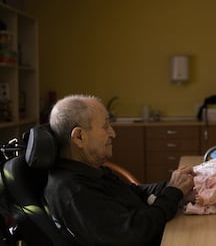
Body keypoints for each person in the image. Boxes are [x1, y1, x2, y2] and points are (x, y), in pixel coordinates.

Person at [44, 94, 194, 246]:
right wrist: (173, 193)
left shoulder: (89, 170)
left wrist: (176, 186)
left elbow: (134, 192)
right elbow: (136, 233)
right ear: (79, 137)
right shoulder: (75, 191)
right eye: (105, 126)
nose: (113, 133)